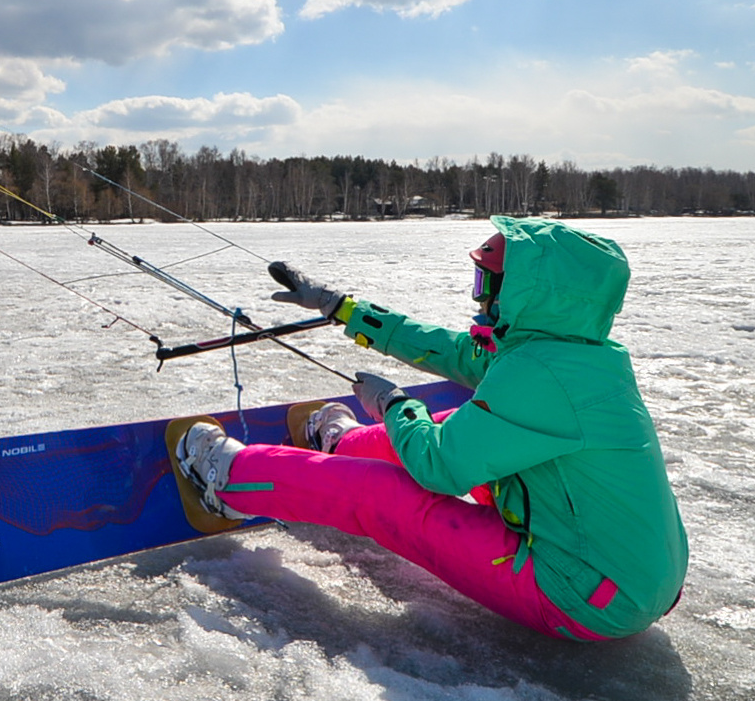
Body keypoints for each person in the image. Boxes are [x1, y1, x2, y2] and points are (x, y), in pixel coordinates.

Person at [173, 215, 687, 642]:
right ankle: (342, 443)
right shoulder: (575, 355)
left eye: (489, 282)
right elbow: (459, 352)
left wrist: (395, 404)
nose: (478, 295)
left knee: (389, 493)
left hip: (583, 594)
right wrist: (342, 309)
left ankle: (228, 480)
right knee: (451, 426)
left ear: (535, 293)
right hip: (616, 565)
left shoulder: (543, 376)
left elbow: (441, 468)